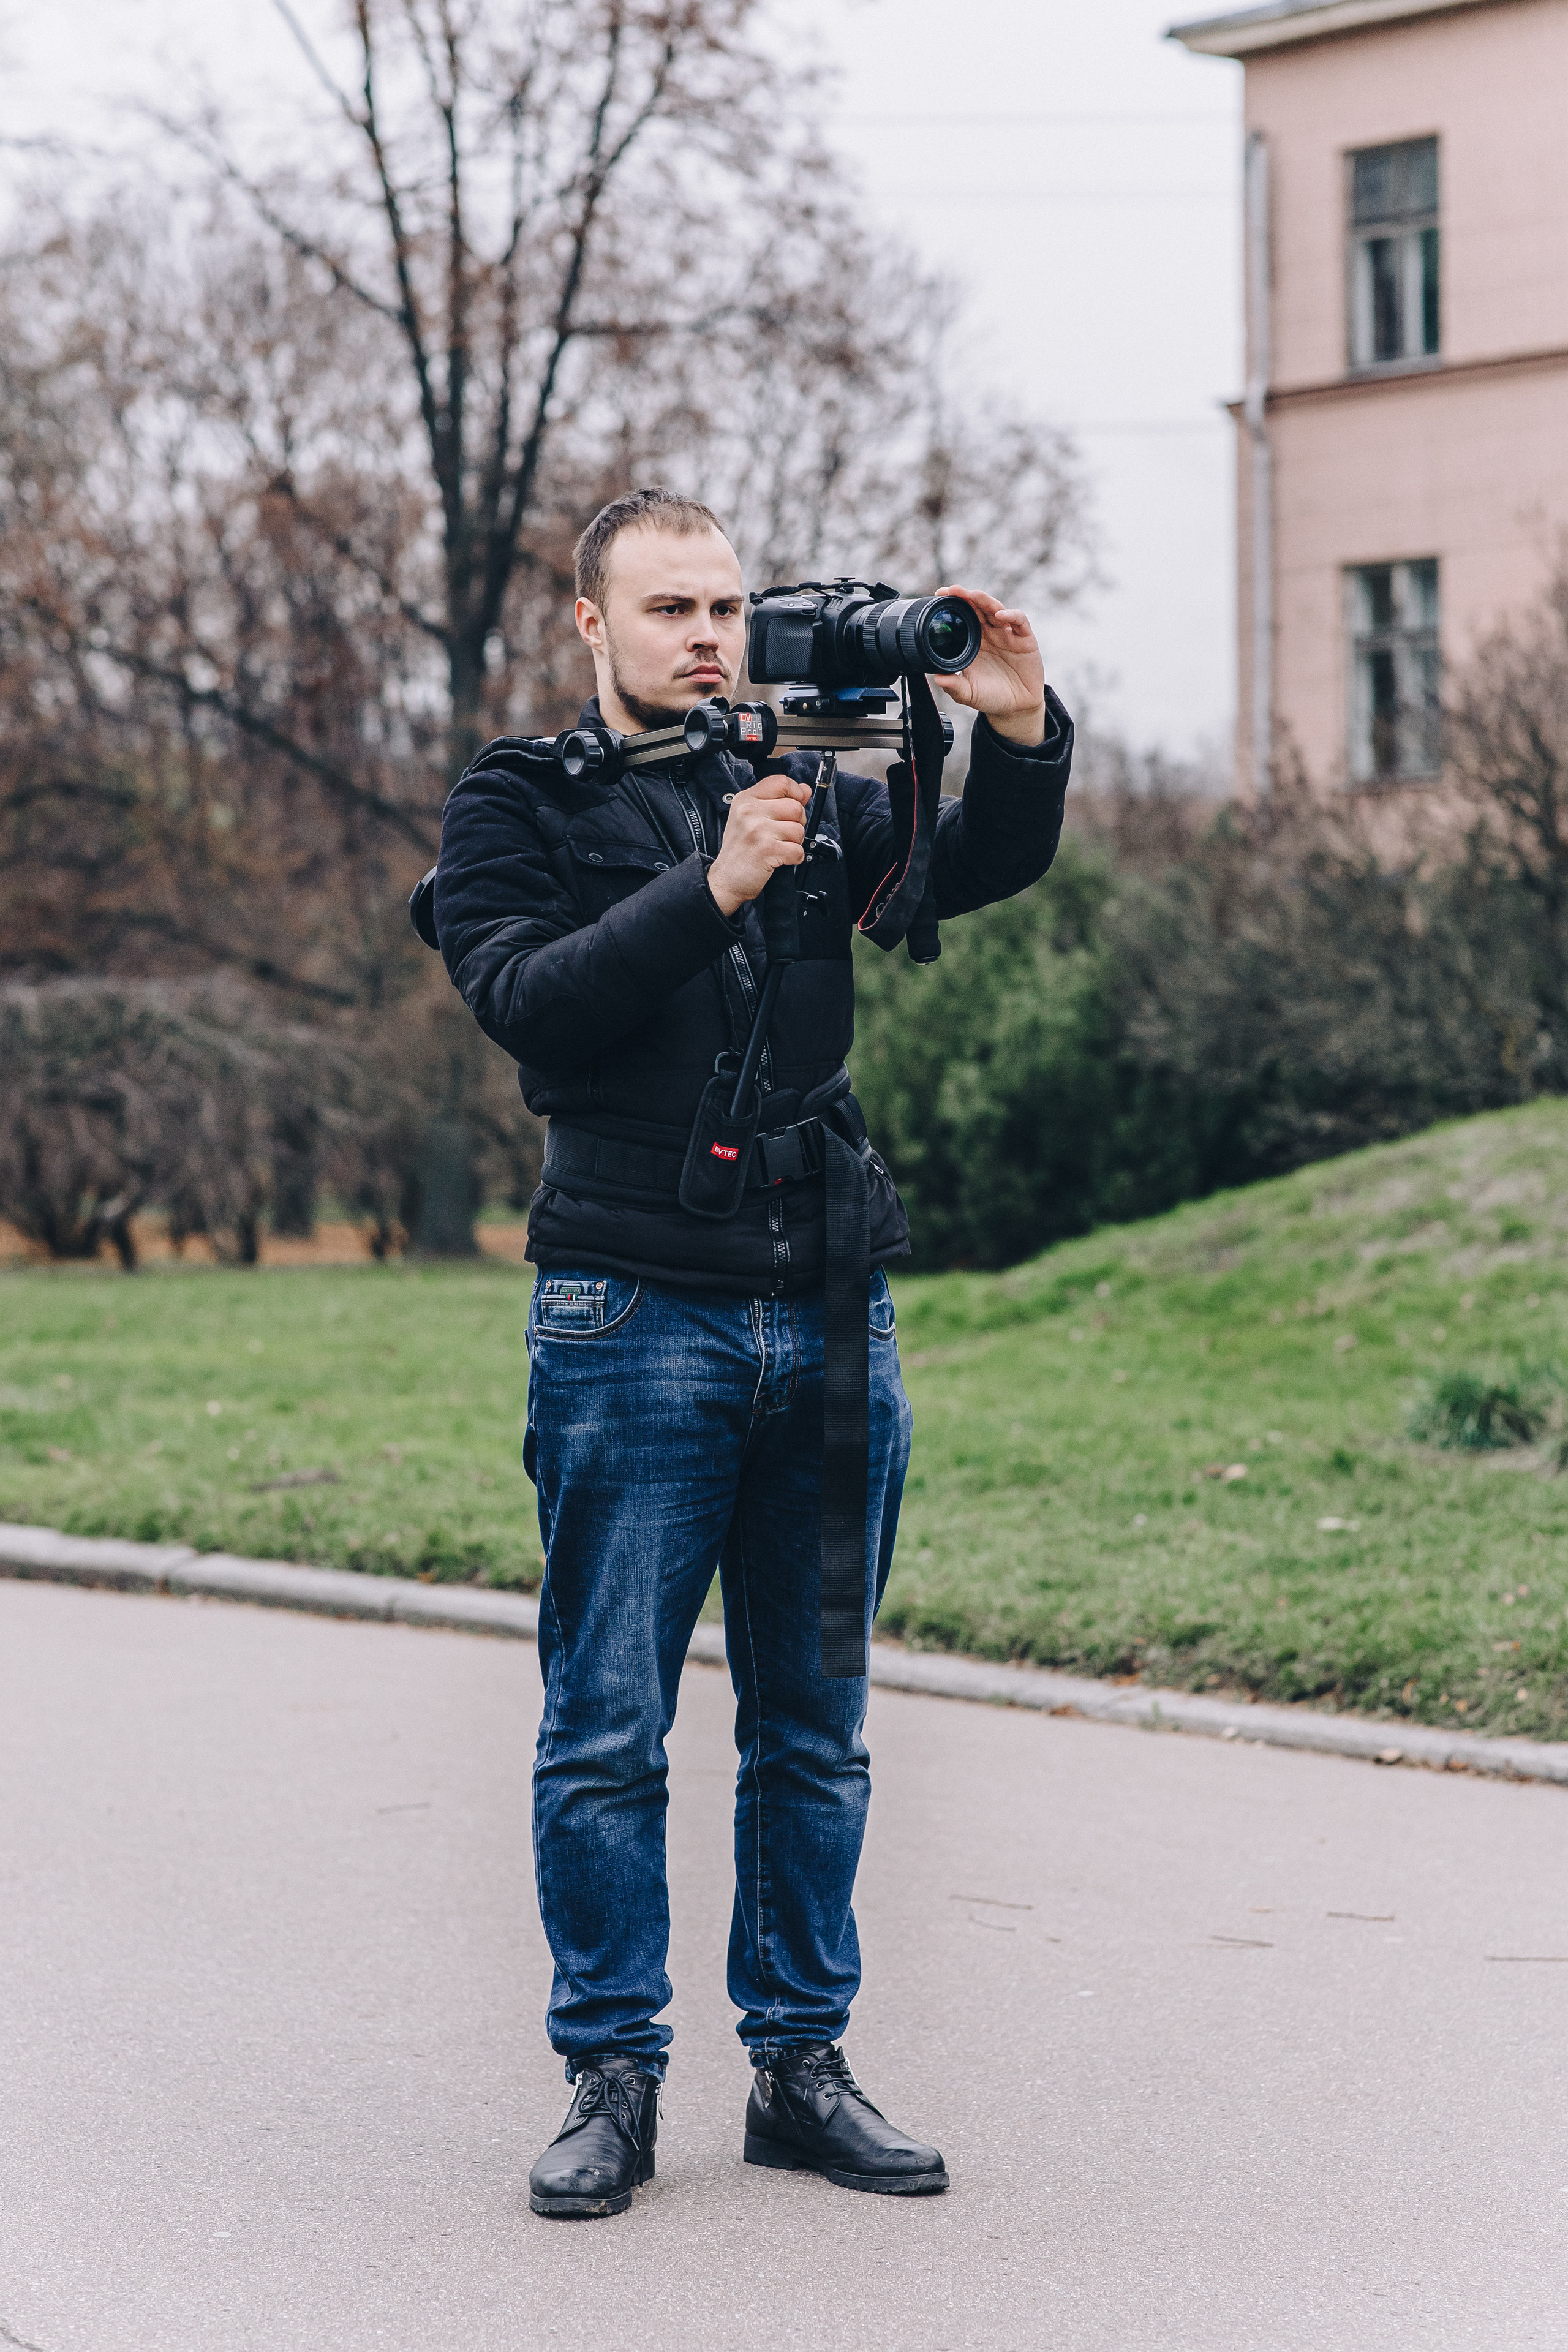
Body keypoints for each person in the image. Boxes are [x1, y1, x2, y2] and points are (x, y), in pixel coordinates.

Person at [432, 486, 1073, 2218]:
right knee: (607, 1725)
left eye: (724, 607)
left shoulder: (790, 782)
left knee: (816, 1725)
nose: (706, 636)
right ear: (593, 625)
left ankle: (800, 2066)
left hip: (828, 1297)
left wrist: (1014, 727)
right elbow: (527, 1000)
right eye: (668, 610)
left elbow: (967, 872)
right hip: (630, 1304)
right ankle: (612, 2079)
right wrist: (715, 886)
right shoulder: (522, 797)